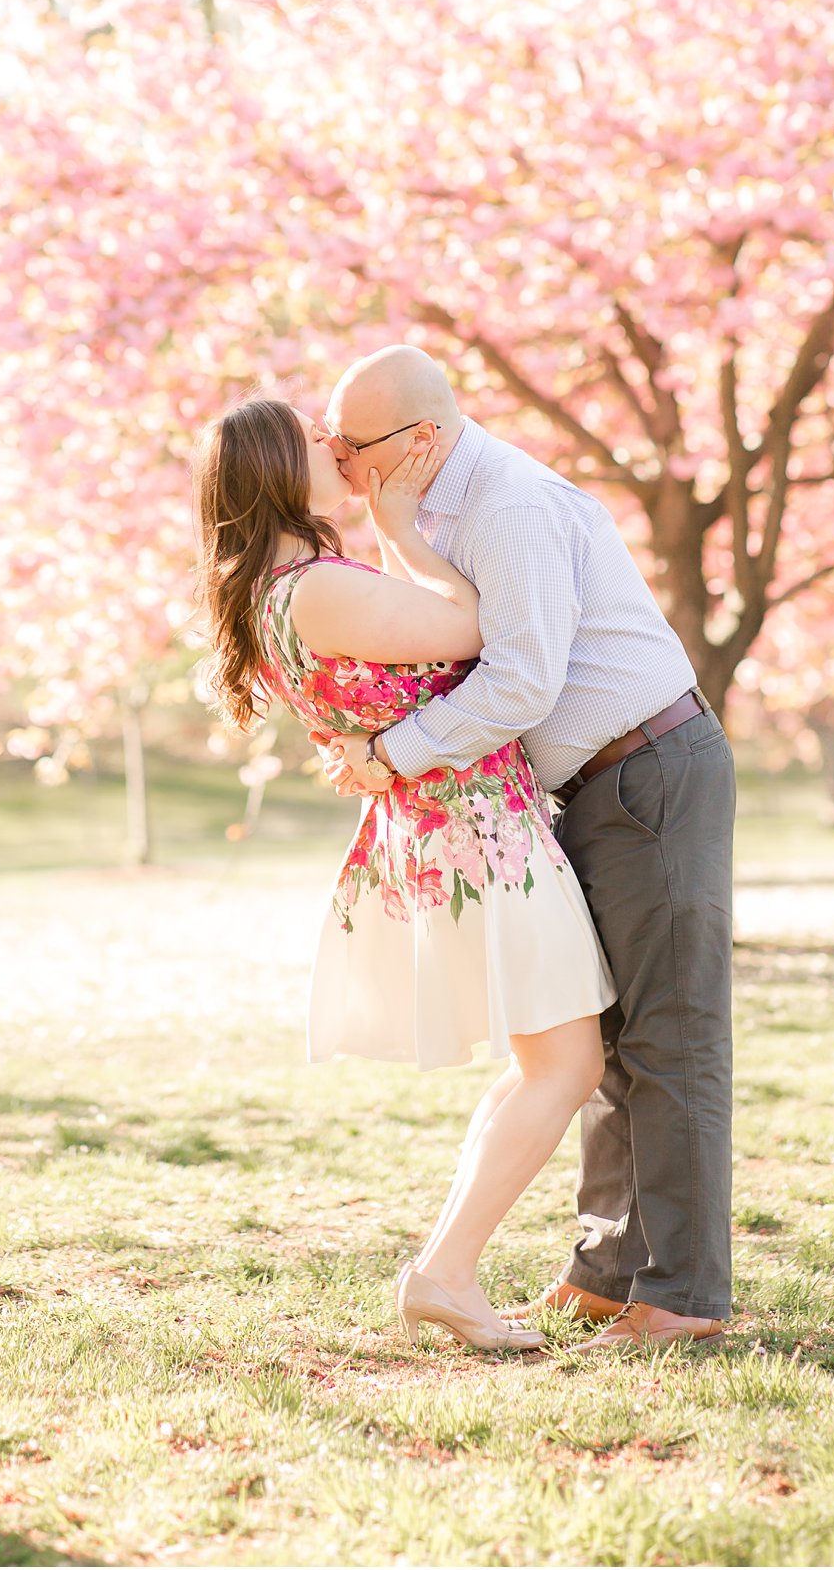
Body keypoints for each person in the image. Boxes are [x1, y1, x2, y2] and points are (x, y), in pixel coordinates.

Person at [320, 346, 736, 1354]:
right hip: (589, 786)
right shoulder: (433, 513)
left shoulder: (504, 505)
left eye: (351, 449)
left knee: (667, 1040)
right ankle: (605, 1273)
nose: (337, 467)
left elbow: (520, 684)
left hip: (646, 769)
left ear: (419, 439)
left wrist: (393, 755)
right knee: (598, 1042)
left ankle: (676, 1297)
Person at [193, 393, 615, 1356]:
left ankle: (446, 1269)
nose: (336, 444)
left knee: (545, 1061)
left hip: (454, 830)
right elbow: (471, 624)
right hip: (477, 834)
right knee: (566, 1064)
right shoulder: (316, 586)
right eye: (313, 440)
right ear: (275, 472)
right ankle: (444, 1271)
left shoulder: (290, 585)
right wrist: (399, 526)